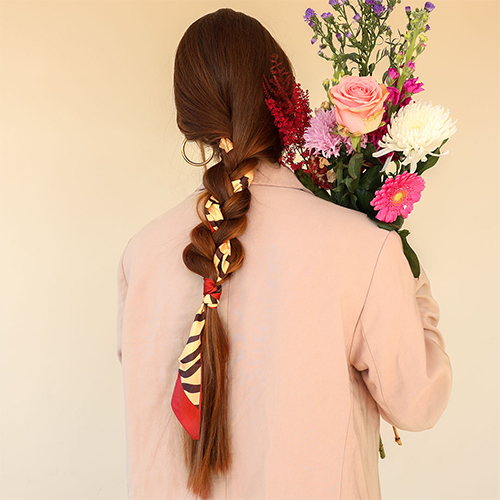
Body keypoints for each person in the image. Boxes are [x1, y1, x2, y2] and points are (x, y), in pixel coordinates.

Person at [116, 8, 452, 500]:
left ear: (189, 120)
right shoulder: (364, 248)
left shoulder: (141, 254)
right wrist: (407, 277)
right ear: (287, 101)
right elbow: (418, 403)